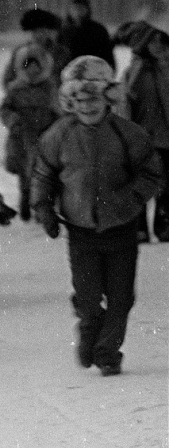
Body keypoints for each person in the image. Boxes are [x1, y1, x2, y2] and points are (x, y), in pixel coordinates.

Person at [31, 56, 162, 377]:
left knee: (121, 296)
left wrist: (131, 199)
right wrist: (44, 208)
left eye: (94, 99)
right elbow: (43, 174)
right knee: (89, 296)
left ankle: (107, 350)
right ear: (69, 101)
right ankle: (90, 325)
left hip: (121, 227)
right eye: (79, 101)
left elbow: (151, 172)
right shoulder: (59, 135)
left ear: (108, 98)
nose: (87, 107)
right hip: (80, 230)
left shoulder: (127, 134)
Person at [112, 20, 169, 243]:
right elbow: (124, 103)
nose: (159, 48)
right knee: (141, 183)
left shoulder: (165, 70)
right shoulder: (135, 71)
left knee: (166, 184)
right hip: (142, 137)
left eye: (162, 43)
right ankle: (140, 228)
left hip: (164, 136)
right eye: (153, 43)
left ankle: (163, 226)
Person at [0, 43, 60, 221]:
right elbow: (4, 109)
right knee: (25, 173)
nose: (33, 71)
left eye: (36, 66)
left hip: (44, 136)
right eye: (28, 66)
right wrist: (12, 120)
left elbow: (57, 110)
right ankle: (25, 200)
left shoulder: (49, 88)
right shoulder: (15, 89)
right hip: (22, 137)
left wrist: (56, 125)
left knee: (44, 173)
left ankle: (43, 207)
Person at [2, 8, 72, 93]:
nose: (38, 35)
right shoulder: (20, 52)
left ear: (48, 32)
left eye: (42, 31)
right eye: (34, 31)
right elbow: (8, 80)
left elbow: (68, 81)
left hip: (52, 102)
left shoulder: (61, 53)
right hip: (25, 101)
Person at [61, 0, 115, 68]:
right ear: (69, 9)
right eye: (75, 8)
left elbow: (108, 60)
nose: (78, 12)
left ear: (87, 9)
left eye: (81, 8)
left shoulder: (98, 31)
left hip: (93, 74)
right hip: (66, 75)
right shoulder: (61, 31)